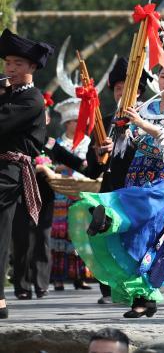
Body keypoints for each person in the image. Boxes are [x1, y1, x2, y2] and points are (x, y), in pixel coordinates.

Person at [68, 31, 164, 318]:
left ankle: (146, 293)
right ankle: (142, 295)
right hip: (137, 174)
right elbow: (132, 142)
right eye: (163, 76)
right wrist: (122, 132)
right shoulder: (146, 106)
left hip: (162, 180)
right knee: (135, 236)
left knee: (151, 234)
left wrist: (139, 122)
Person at [83, 57, 148, 304]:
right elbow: (93, 170)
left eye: (127, 88)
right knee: (104, 239)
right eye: (118, 88)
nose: (122, 93)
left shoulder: (147, 119)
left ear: (139, 92)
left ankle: (135, 289)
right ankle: (108, 290)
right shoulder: (104, 120)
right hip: (109, 189)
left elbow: (150, 153)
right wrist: (100, 152)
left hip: (135, 189)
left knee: (131, 241)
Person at [0, 28, 54, 319]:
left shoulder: (31, 99)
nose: (10, 68)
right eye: (7, 63)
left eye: (17, 64)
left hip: (8, 172)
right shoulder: (9, 92)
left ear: (32, 67)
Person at [12, 92, 56, 300]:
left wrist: (90, 168)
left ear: (47, 119)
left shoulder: (51, 143)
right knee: (22, 240)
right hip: (20, 195)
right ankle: (22, 285)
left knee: (43, 240)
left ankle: (41, 284)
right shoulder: (20, 139)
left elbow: (73, 160)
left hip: (45, 198)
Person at [49, 98, 93, 292]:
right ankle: (57, 278)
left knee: (80, 234)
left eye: (79, 120)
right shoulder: (58, 143)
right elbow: (51, 165)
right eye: (73, 121)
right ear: (67, 123)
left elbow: (89, 166)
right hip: (60, 193)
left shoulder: (87, 142)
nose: (76, 124)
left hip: (81, 192)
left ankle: (80, 277)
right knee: (59, 234)